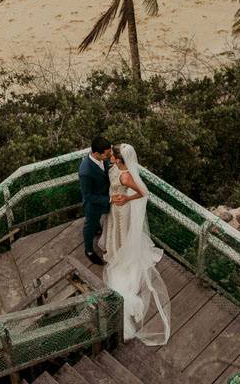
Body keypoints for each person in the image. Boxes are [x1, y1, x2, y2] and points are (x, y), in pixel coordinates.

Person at [102, 143, 171, 345]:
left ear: (120, 160)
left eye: (113, 156)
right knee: (114, 232)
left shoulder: (125, 176)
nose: (110, 158)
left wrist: (126, 197)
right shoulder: (117, 169)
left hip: (122, 210)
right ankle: (116, 250)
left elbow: (143, 192)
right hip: (115, 209)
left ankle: (121, 255)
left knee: (121, 235)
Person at [78, 136, 111, 265]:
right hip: (93, 204)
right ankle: (89, 250)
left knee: (96, 224)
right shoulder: (85, 171)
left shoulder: (102, 159)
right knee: (89, 225)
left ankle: (98, 229)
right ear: (96, 153)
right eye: (107, 154)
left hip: (103, 196)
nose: (108, 156)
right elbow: (88, 196)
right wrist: (109, 199)